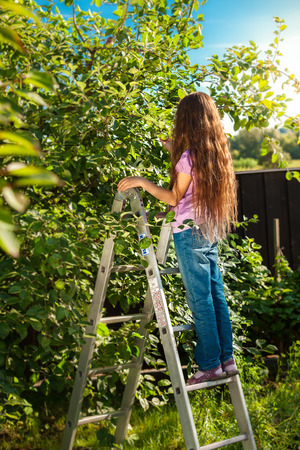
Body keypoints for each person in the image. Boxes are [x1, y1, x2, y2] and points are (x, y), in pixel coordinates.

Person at [117, 92, 239, 385]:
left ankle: (209, 365)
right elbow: (190, 195)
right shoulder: (215, 155)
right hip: (209, 230)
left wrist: (142, 183)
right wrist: (174, 153)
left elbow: (174, 195)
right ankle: (226, 358)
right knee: (216, 296)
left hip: (190, 235)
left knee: (200, 300)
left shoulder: (189, 157)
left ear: (187, 120)